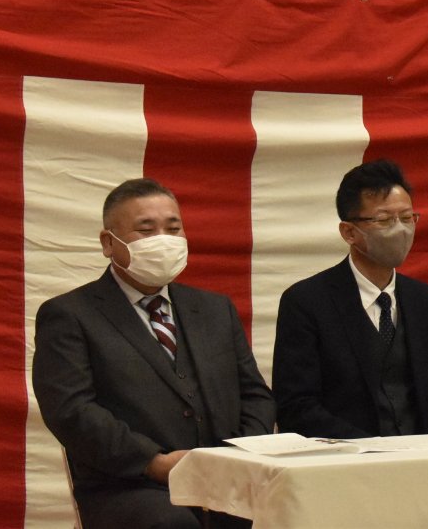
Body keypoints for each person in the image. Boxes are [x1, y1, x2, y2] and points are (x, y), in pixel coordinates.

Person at [32, 178, 274, 529]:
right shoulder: (70, 315)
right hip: (129, 485)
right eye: (146, 230)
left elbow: (255, 395)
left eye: (173, 229)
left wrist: (238, 456)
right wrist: (152, 462)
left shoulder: (214, 308)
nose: (163, 239)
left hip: (227, 479)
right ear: (108, 243)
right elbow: (71, 410)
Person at [273, 159, 428, 437]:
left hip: (423, 455)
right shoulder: (306, 302)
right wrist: (369, 450)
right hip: (344, 456)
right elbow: (296, 406)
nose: (400, 230)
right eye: (384, 220)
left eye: (407, 218)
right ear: (349, 232)